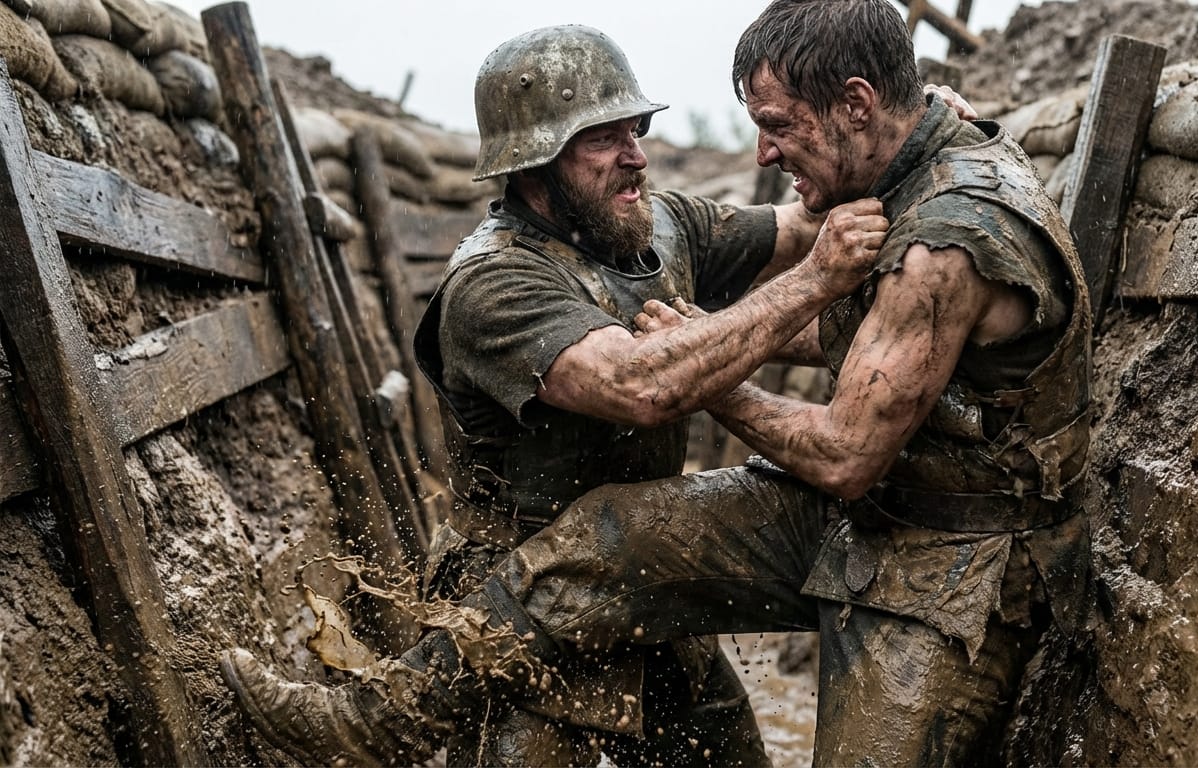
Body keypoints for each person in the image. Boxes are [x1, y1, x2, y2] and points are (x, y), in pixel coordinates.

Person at [219, 23, 891, 767]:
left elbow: (806, 223)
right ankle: (381, 724)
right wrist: (812, 284)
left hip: (651, 598)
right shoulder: (493, 283)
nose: (635, 154)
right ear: (533, 161)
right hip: (524, 620)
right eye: (602, 139)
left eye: (635, 129)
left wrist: (908, 131)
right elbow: (642, 384)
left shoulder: (661, 225)